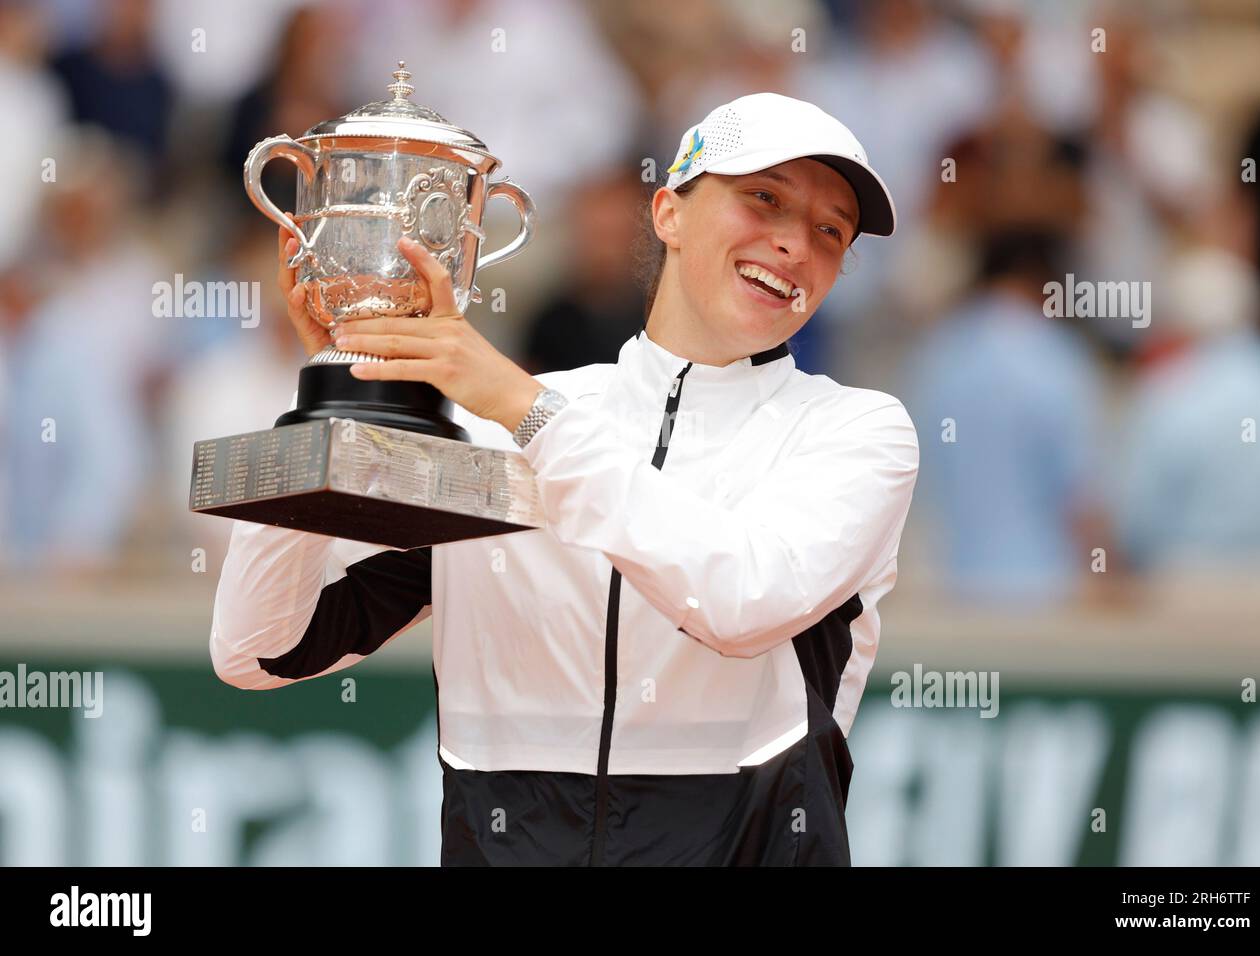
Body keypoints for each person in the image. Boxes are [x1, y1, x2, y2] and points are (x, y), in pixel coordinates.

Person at [209, 92, 919, 866]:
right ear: (669, 213)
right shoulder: (499, 435)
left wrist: (525, 407)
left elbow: (740, 602)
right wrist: (329, 394)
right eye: (764, 199)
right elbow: (261, 651)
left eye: (829, 231)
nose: (793, 245)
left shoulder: (857, 431)